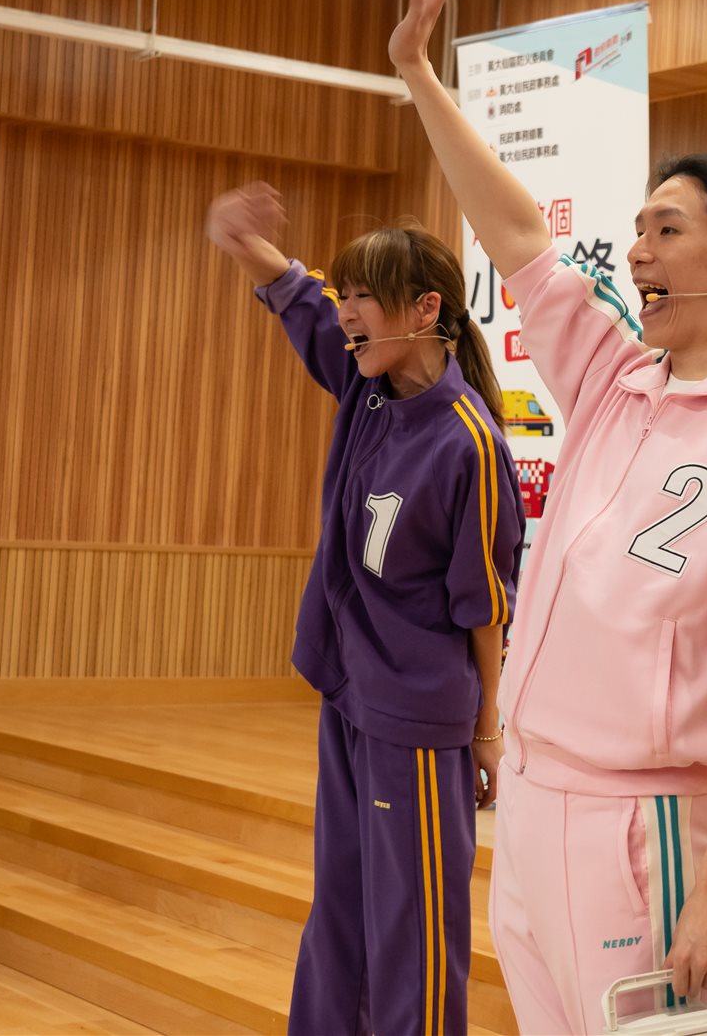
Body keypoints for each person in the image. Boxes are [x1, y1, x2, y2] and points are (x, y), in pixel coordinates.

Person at [387, 0, 707, 1035]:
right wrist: (416, 73)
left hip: (647, 824)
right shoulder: (612, 374)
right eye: (636, 227)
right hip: (533, 798)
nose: (636, 250)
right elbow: (513, 231)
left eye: (666, 230)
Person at [206, 187, 521, 1036]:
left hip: (417, 718)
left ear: (426, 309)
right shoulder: (367, 384)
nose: (345, 313)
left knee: (413, 930)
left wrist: (487, 729)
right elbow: (301, 302)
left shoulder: (470, 441)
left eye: (363, 297)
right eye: (344, 295)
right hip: (348, 694)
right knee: (340, 911)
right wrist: (242, 243)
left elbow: (484, 608)